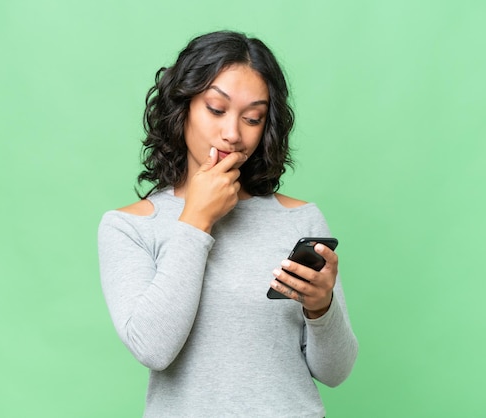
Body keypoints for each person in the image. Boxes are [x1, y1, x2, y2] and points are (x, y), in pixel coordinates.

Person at [98, 30, 358, 417]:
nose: (233, 134)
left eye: (252, 118)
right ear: (182, 107)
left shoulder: (299, 219)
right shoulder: (130, 227)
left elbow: (335, 372)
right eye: (216, 110)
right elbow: (153, 348)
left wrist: (321, 309)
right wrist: (196, 219)